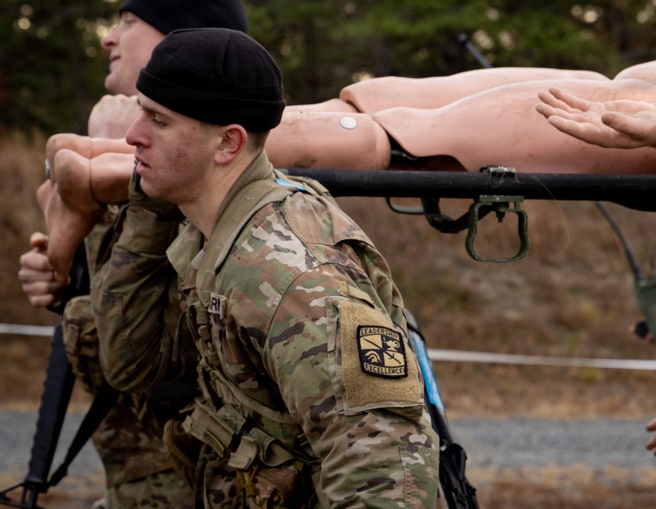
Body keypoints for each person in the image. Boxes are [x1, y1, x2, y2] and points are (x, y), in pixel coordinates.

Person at [36, 36, 656, 459]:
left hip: (639, 127)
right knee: (376, 104)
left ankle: (92, 174)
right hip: (623, 95)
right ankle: (96, 158)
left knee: (381, 144)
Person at [89, 27, 439, 507]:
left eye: (158, 120)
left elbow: (386, 462)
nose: (133, 136)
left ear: (228, 144)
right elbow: (131, 363)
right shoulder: (207, 230)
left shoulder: (288, 275)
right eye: (140, 113)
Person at [18, 0, 249, 509]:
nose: (108, 37)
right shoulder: (135, 150)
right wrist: (66, 286)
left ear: (180, 42)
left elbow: (142, 351)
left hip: (202, 484)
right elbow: (121, 302)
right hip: (142, 478)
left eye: (129, 21)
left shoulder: (212, 163)